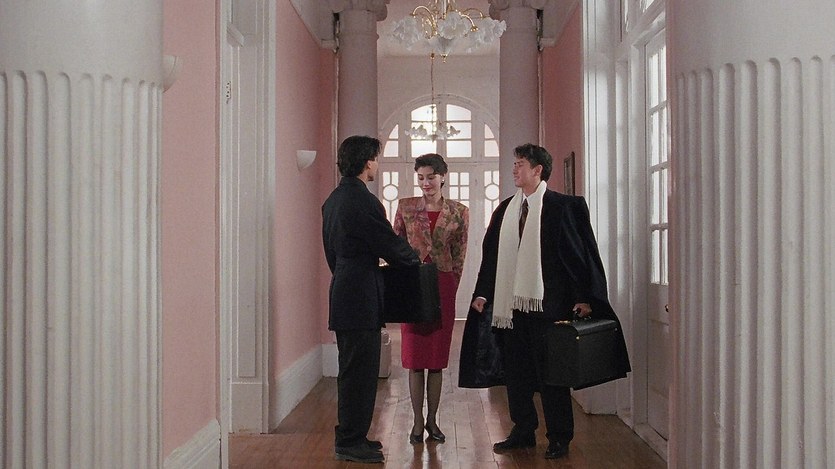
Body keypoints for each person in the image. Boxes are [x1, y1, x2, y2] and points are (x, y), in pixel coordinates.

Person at [469, 143, 630, 460]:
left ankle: (559, 436)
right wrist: (483, 292)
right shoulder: (505, 209)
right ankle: (522, 430)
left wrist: (584, 297)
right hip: (511, 308)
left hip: (551, 307)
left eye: (520, 164)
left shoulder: (564, 206)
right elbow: (492, 256)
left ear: (537, 170)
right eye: (514, 164)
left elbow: (580, 255)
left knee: (552, 375)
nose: (514, 169)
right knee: (516, 374)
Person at [322, 135, 421, 464]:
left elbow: (331, 253)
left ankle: (353, 436)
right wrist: (413, 259)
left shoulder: (334, 200)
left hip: (344, 288)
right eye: (376, 159)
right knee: (360, 374)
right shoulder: (362, 201)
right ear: (367, 162)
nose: (377, 164)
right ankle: (350, 441)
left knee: (354, 371)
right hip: (360, 295)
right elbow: (387, 243)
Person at [392, 153, 469, 445]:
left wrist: (452, 285)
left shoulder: (459, 212)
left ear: (443, 177)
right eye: (421, 178)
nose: (426, 183)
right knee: (414, 359)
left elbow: (460, 255)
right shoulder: (405, 207)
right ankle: (416, 421)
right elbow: (396, 245)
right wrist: (401, 282)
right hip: (412, 285)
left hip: (443, 285)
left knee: (436, 360)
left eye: (431, 177)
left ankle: (433, 420)